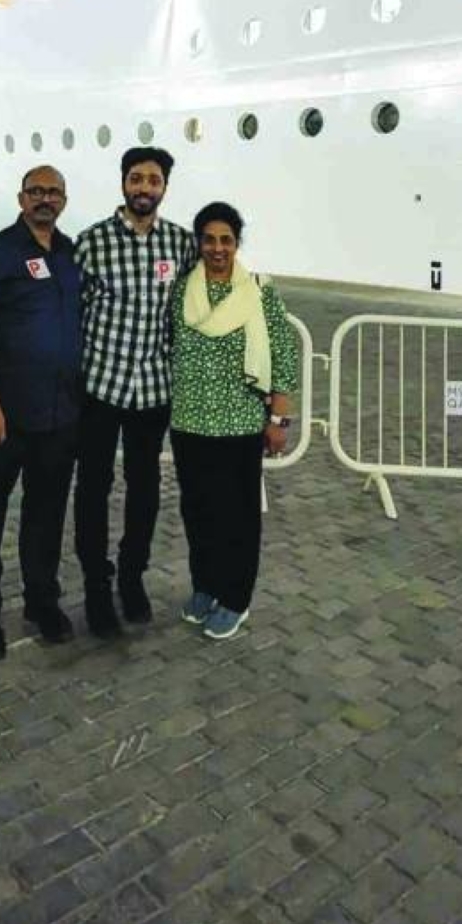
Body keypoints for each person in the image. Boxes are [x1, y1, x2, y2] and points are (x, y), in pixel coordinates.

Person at [73, 147, 195, 636]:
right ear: (123, 182)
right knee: (93, 489)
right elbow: (74, 313)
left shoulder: (180, 244)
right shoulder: (92, 243)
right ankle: (96, 587)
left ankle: (131, 576)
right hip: (101, 387)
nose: (145, 188)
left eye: (153, 180)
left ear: (164, 187)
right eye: (137, 179)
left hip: (152, 391)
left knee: (145, 489)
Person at [0, 165, 81, 660]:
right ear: (21, 196)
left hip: (59, 416)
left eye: (53, 193)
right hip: (4, 416)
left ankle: (41, 601)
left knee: (46, 515)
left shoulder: (71, 254)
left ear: (64, 200)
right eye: (36, 191)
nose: (44, 200)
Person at [169, 201, 298, 642]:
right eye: (209, 239)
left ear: (237, 243)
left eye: (226, 240)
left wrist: (279, 418)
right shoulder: (182, 288)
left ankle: (235, 598)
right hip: (189, 422)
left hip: (240, 425)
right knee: (197, 511)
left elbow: (283, 355)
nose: (218, 248)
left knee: (237, 518)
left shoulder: (259, 292)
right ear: (198, 243)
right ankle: (204, 586)